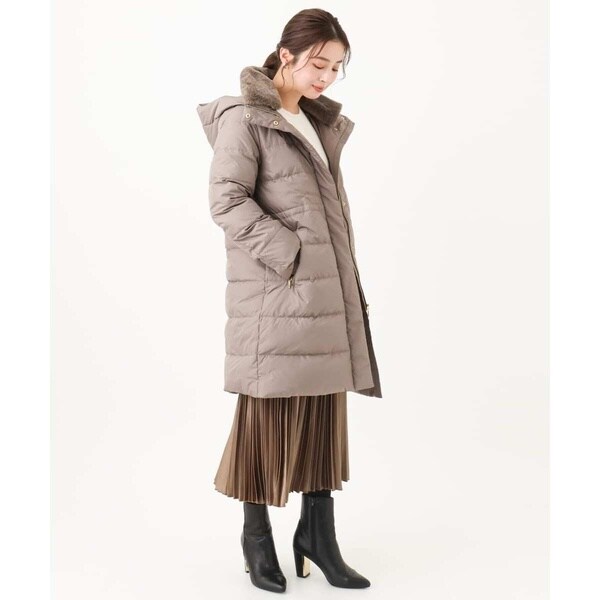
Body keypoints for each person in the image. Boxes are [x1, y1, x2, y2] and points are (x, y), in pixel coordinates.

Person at [196, 8, 382, 593]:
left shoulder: (314, 121)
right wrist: (292, 254)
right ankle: (256, 539)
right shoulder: (245, 119)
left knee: (323, 412)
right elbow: (227, 200)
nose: (326, 76)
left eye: (336, 67)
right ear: (286, 55)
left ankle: (317, 537)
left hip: (324, 295)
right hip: (276, 298)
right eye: (318, 63)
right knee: (267, 420)